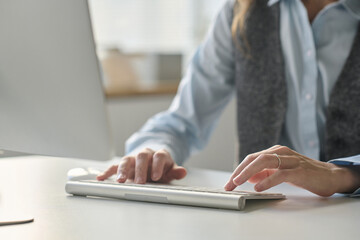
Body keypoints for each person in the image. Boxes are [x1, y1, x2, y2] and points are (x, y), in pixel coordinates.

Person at [97, 0, 360, 197]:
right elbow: (183, 120)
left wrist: (345, 173)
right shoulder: (240, 13)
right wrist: (155, 149)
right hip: (264, 220)